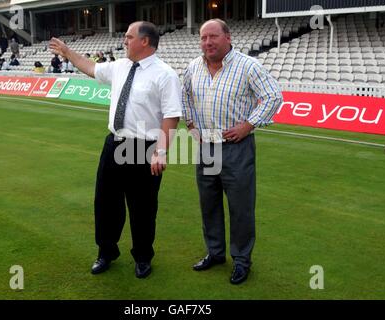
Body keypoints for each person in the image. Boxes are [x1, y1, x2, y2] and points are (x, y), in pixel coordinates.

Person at [49, 21, 182, 279]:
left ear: (144, 41)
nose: (124, 41)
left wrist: (161, 152)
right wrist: (68, 52)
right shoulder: (120, 66)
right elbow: (90, 67)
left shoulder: (165, 75)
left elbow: (171, 116)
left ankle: (143, 257)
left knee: (142, 208)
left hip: (144, 148)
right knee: (105, 203)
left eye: (129, 37)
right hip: (114, 143)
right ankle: (106, 252)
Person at [182, 19, 283, 285]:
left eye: (213, 36)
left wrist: (248, 125)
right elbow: (186, 97)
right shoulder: (194, 66)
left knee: (241, 209)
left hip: (236, 148)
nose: (208, 43)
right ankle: (215, 253)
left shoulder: (247, 66)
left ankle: (241, 261)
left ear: (227, 37)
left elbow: (274, 96)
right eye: (203, 38)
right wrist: (191, 125)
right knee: (209, 204)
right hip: (206, 148)